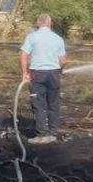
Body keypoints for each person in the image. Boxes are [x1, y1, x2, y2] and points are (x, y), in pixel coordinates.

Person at [19, 13, 67, 144]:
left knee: (38, 104)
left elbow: (23, 56)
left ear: (38, 23)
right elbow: (63, 60)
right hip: (53, 74)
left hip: (37, 74)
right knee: (53, 103)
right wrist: (60, 71)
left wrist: (24, 72)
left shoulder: (32, 37)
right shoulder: (58, 39)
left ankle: (42, 135)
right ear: (50, 23)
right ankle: (52, 133)